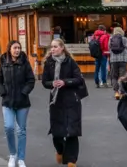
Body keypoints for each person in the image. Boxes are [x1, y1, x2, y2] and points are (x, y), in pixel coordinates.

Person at [41, 38, 85, 167]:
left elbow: (78, 79)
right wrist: (52, 83)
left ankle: (71, 160)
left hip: (71, 100)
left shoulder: (70, 62)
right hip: (56, 101)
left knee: (72, 131)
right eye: (52, 47)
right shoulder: (49, 63)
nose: (52, 49)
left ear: (62, 48)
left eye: (55, 47)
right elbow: (45, 82)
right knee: (57, 133)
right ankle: (60, 150)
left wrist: (65, 82)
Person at [0, 40, 35, 167]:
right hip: (7, 101)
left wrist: (24, 92)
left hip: (22, 101)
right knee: (9, 127)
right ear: (9, 49)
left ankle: (21, 158)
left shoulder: (24, 62)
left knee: (21, 130)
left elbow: (31, 80)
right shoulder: (3, 61)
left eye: (19, 48)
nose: (17, 50)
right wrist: (3, 92)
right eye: (15, 48)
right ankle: (13, 154)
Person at [107, 26, 127, 98]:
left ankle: (116, 92)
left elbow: (108, 47)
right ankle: (122, 92)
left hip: (113, 60)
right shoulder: (125, 39)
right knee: (123, 76)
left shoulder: (111, 38)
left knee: (114, 76)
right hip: (123, 60)